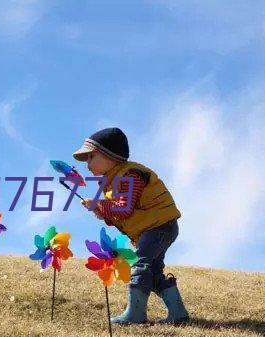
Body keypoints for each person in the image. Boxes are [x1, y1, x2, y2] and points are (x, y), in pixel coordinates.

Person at [73, 127, 190, 324]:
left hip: (158, 226)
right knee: (152, 271)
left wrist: (100, 204)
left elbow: (124, 208)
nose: (88, 164)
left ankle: (136, 315)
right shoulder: (113, 181)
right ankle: (178, 313)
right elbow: (122, 212)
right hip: (156, 227)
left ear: (109, 155)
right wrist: (100, 211)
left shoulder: (130, 175)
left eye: (91, 157)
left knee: (141, 265)